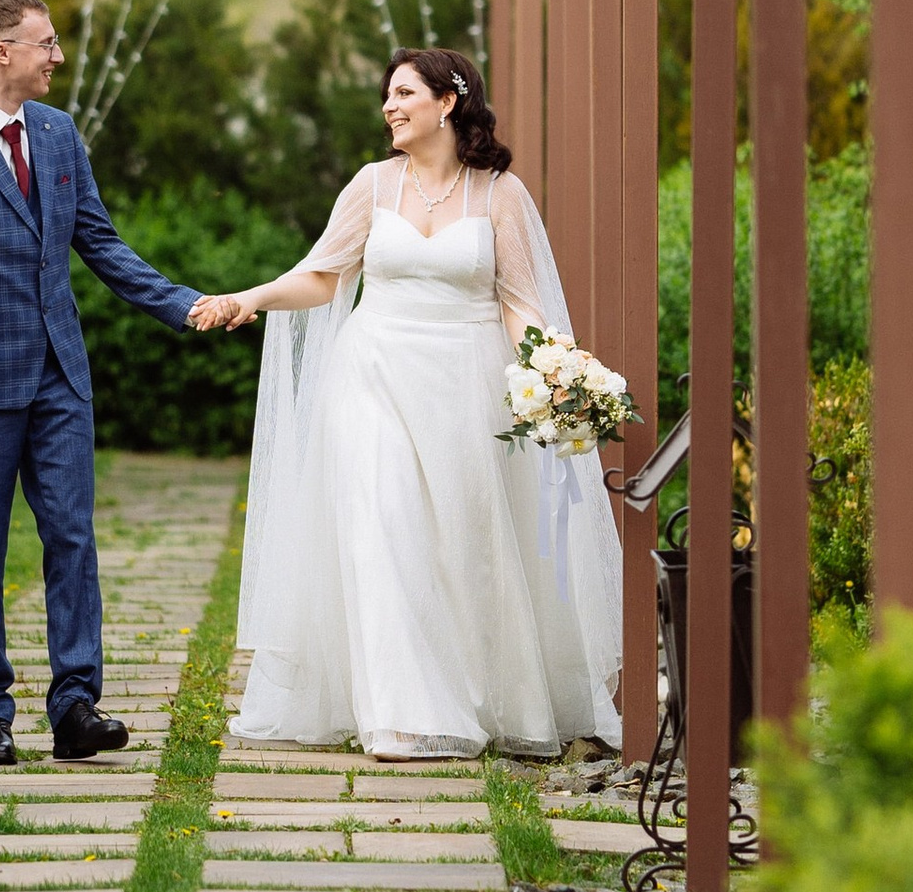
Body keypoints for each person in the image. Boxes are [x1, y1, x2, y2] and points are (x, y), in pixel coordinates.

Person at [211, 45, 622, 760]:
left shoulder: (499, 194)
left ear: (448, 101)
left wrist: (557, 371)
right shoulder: (372, 186)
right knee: (383, 526)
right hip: (372, 375)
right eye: (387, 96)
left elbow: (519, 305)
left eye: (403, 93)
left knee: (462, 546)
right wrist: (250, 299)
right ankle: (402, 716)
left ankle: (469, 692)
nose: (389, 108)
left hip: (466, 386)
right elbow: (322, 276)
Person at [0, 0, 248, 766]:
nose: (59, 56)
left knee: (72, 538)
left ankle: (74, 706)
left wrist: (185, 305)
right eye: (46, 43)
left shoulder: (57, 135)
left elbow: (102, 244)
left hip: (61, 375)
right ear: (1, 51)